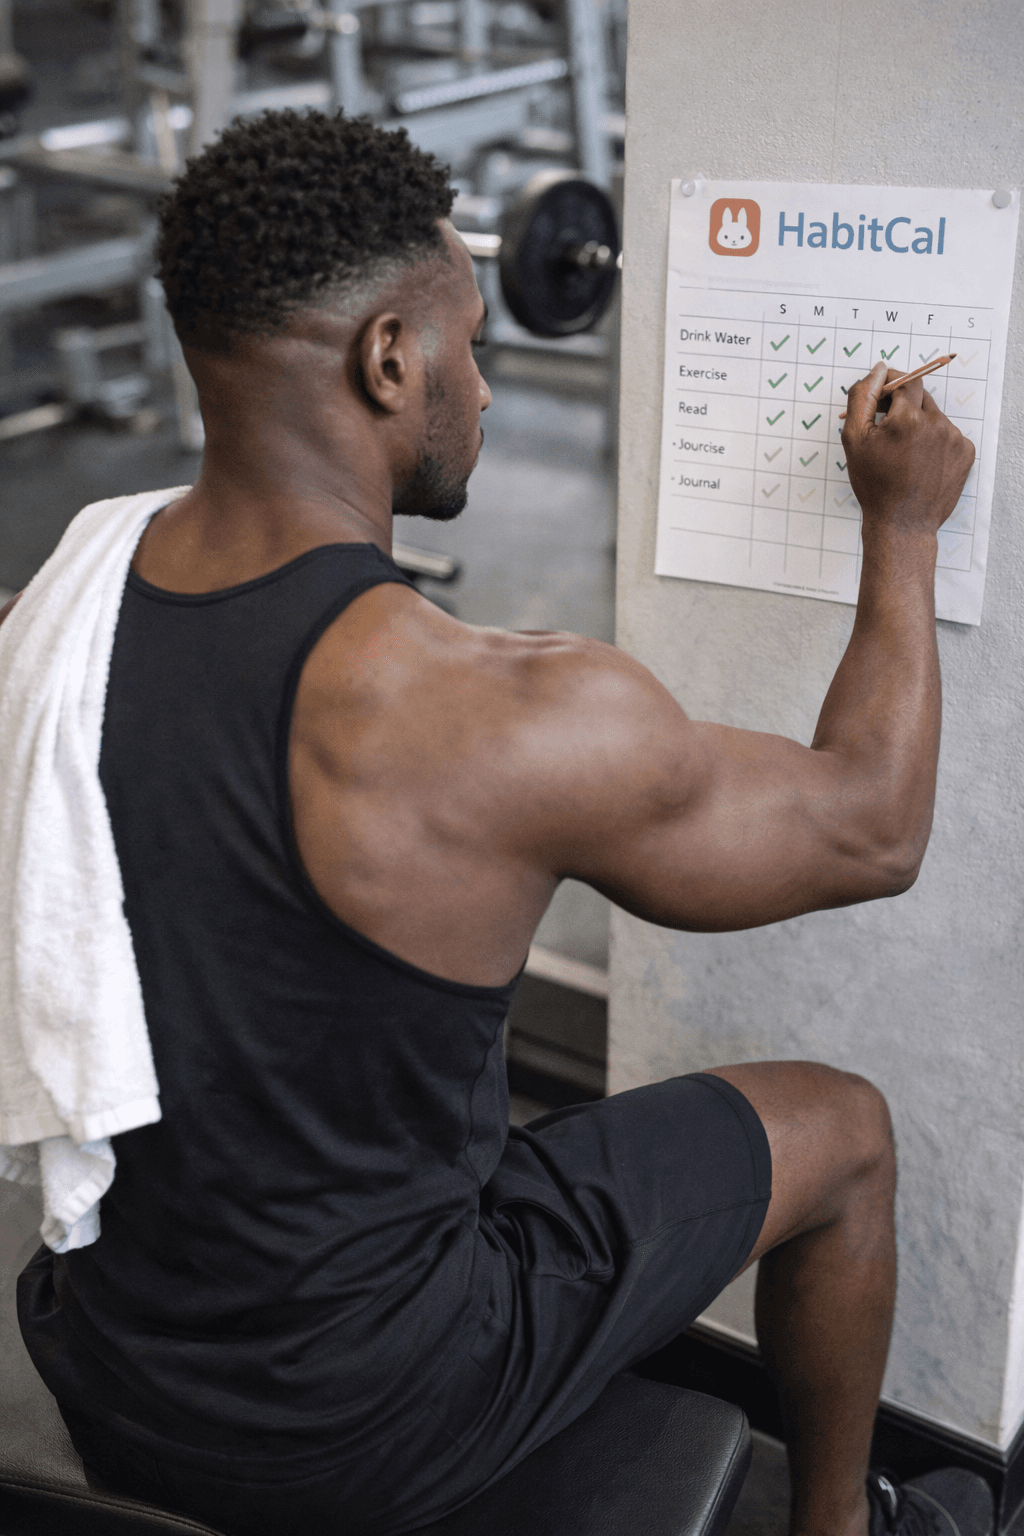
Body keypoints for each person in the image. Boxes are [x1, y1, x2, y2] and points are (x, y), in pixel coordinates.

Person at [6, 110, 989, 1536]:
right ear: (388, 358)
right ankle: (844, 1527)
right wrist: (901, 533)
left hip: (104, 1350)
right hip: (373, 1414)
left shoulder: (58, 613)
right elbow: (869, 830)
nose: (484, 387)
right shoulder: (502, 713)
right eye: (468, 341)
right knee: (842, 1131)